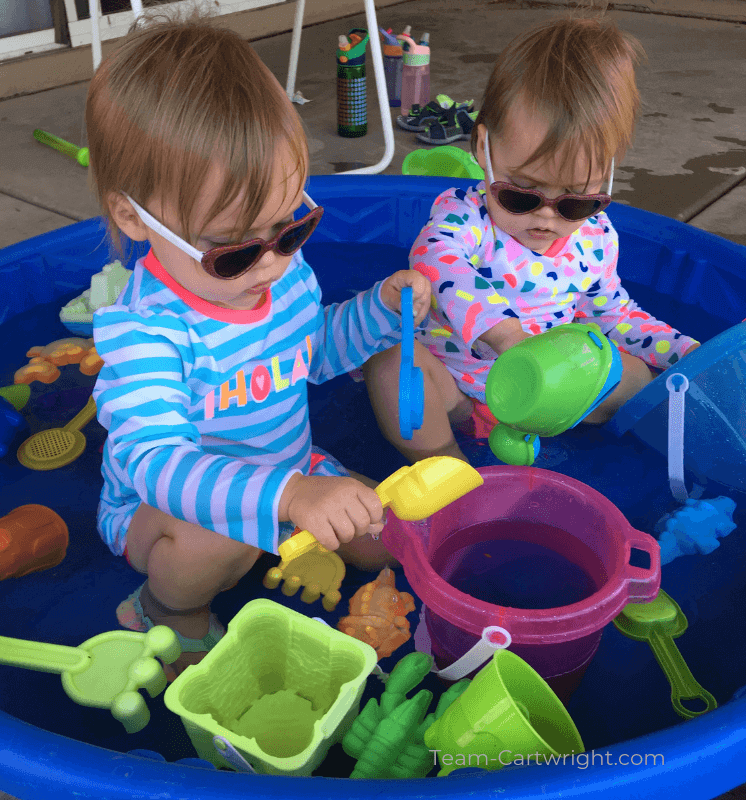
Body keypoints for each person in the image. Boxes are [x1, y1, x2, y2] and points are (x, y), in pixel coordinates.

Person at [84, 10, 430, 676]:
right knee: (216, 542)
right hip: (169, 518)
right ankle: (166, 611)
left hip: (292, 471)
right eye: (235, 249)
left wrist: (382, 312)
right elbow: (154, 462)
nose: (271, 262)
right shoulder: (147, 331)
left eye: (290, 227)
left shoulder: (280, 272)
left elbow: (317, 350)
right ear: (134, 216)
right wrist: (287, 498)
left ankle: (291, 532)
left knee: (390, 538)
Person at [363, 16, 700, 464]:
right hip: (458, 389)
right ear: (483, 148)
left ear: (608, 177)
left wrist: (685, 352)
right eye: (521, 194)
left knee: (637, 378)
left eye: (576, 201)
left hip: (553, 399)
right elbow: (437, 264)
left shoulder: (596, 237)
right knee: (388, 367)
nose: (547, 215)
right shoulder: (465, 219)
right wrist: (508, 339)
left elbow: (615, 315)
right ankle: (445, 466)